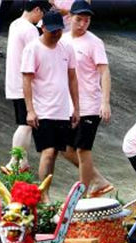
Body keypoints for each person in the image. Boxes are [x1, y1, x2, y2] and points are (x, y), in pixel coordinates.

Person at [21, 10, 78, 201]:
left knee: (55, 154)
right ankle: (43, 195)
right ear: (43, 28)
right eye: (52, 31)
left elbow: (72, 78)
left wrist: (76, 107)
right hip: (42, 109)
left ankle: (46, 191)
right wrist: (30, 110)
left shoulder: (66, 48)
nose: (56, 34)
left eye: (59, 31)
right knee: (48, 151)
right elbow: (27, 80)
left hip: (61, 109)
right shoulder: (33, 49)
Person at [60, 0, 113, 197]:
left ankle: (80, 195)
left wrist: (104, 102)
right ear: (70, 18)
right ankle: (99, 180)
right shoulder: (63, 40)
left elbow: (104, 72)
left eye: (87, 20)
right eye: (79, 19)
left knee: (83, 150)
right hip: (68, 105)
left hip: (90, 104)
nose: (83, 24)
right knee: (65, 148)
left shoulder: (94, 42)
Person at [4, 0, 49, 173]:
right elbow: (37, 56)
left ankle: (22, 161)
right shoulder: (30, 30)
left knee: (25, 122)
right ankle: (14, 161)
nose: (42, 18)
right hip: (25, 84)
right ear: (37, 9)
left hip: (15, 81)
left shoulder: (15, 24)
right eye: (42, 13)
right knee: (26, 123)